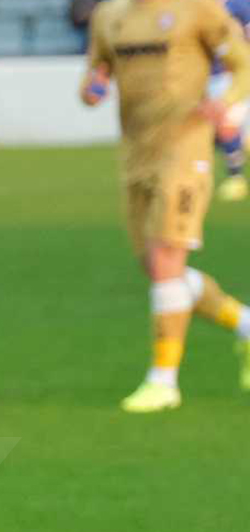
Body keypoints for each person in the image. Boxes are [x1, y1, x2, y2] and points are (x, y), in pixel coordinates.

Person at [82, 0, 250, 411]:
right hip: (136, 156)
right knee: (158, 269)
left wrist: (225, 100)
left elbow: (243, 65)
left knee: (166, 261)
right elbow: (97, 69)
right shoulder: (109, 15)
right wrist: (93, 86)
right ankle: (246, 324)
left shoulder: (199, 9)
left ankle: (164, 382)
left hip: (185, 151)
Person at [213, 0, 250, 199]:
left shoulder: (240, 5)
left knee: (225, 125)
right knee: (217, 133)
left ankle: (236, 179)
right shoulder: (192, 6)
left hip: (231, 75)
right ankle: (240, 144)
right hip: (202, 76)